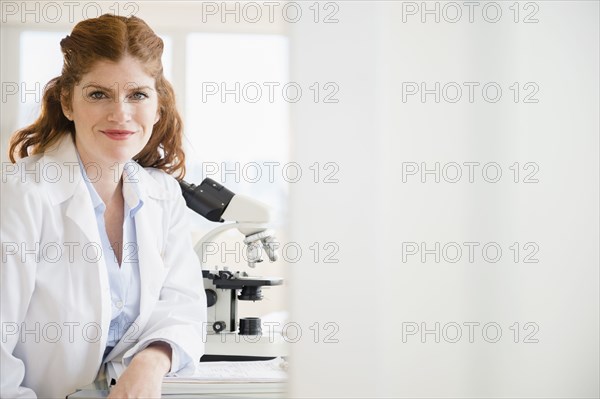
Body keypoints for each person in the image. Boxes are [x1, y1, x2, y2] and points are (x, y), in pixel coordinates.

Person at [1, 14, 207, 398]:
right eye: (98, 94)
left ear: (158, 104)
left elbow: (184, 306)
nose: (121, 114)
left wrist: (150, 362)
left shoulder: (162, 194)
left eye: (138, 95)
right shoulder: (21, 195)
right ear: (68, 102)